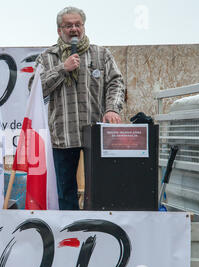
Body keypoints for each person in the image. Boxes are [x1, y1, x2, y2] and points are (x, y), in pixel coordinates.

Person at [34, 6, 125, 210]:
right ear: (59, 30)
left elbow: (116, 83)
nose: (74, 29)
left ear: (83, 27)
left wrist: (112, 109)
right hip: (62, 135)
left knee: (100, 189)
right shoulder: (47, 57)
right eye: (68, 26)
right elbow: (35, 89)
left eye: (78, 25)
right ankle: (70, 233)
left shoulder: (101, 54)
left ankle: (96, 229)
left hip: (96, 133)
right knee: (65, 192)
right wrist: (62, 69)